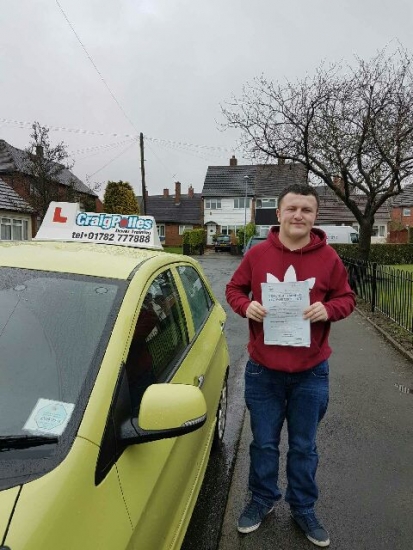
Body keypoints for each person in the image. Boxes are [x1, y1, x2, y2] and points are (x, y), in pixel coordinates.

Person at [226, 183, 355, 547]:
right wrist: (244, 306)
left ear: (315, 217)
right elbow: (234, 290)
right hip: (263, 371)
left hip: (310, 372)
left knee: (304, 447)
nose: (299, 215)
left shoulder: (329, 258)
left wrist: (328, 309)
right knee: (264, 444)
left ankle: (303, 507)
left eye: (307, 210)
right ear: (279, 213)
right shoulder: (257, 255)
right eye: (292, 209)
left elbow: (347, 298)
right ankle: (263, 499)